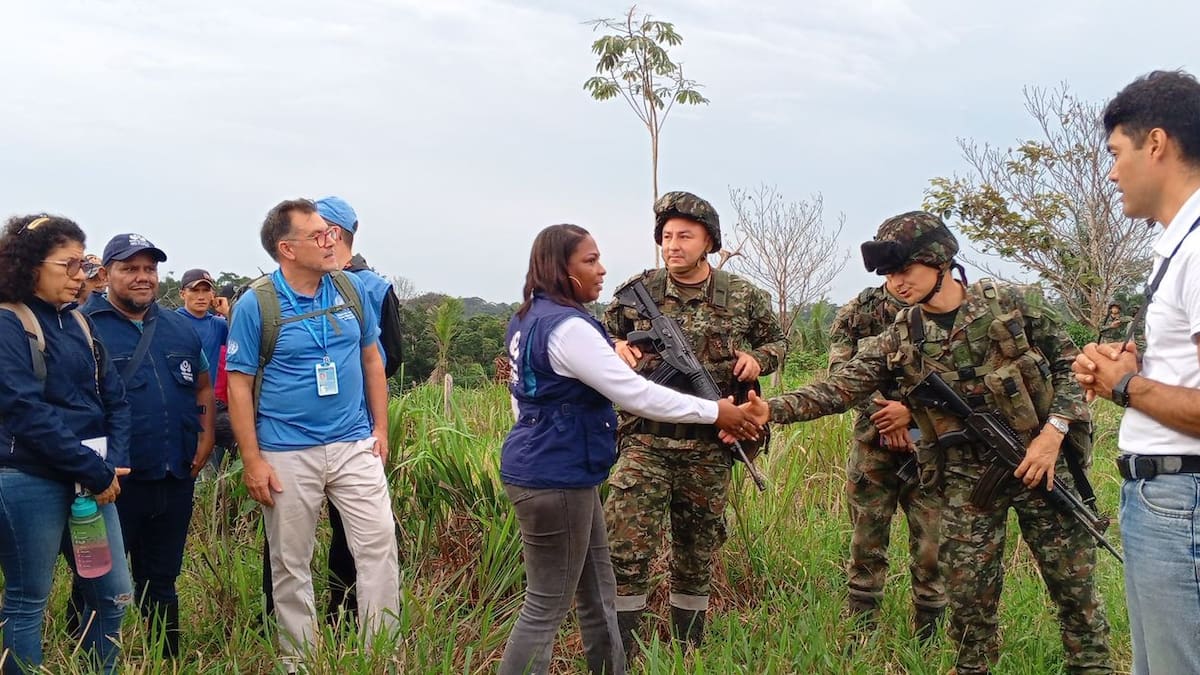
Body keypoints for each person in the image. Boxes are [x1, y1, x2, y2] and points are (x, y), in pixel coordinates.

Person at [742, 211, 1112, 675]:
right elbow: (839, 387)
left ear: (939, 262)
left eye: (904, 270)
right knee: (969, 603)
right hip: (967, 483)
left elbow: (1071, 366)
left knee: (1075, 597)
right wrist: (770, 409)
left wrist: (1053, 434)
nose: (896, 282)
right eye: (888, 274)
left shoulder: (1011, 307)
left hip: (1044, 467)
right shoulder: (900, 335)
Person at [498, 223, 759, 675]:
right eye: (590, 261)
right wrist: (716, 413)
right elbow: (635, 395)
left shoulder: (529, 318)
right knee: (545, 609)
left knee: (599, 592)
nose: (601, 270)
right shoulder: (567, 328)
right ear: (561, 268)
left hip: (565, 472)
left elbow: (523, 400)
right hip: (555, 477)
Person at [602, 191, 787, 653]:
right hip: (645, 440)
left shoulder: (741, 295)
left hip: (709, 444)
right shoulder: (638, 290)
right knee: (626, 549)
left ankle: (689, 650)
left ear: (708, 240)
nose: (673, 245)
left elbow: (779, 340)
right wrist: (615, 346)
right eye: (666, 236)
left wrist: (757, 359)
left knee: (696, 551)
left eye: (685, 235)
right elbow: (595, 333)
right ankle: (622, 651)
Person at [225, 199, 398, 671]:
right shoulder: (256, 303)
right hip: (285, 450)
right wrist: (253, 460)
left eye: (332, 232)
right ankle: (299, 662)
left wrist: (379, 429)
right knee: (290, 563)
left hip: (353, 443)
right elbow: (237, 385)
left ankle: (380, 657)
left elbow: (371, 359)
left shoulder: (350, 289)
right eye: (319, 235)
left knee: (379, 545)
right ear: (287, 248)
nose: (332, 241)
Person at [1073, 69, 1200, 675]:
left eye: (1116, 153)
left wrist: (1123, 384)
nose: (1112, 171)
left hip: (1186, 501)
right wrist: (1135, 370)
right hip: (1164, 498)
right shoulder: (1178, 244)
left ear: (1157, 143)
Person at [0, 214, 133, 674]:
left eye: (84, 263)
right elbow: (24, 409)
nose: (81, 276)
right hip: (29, 480)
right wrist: (91, 467)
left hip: (89, 487)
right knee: (26, 601)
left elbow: (113, 396)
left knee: (113, 594)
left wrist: (113, 461)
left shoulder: (78, 323)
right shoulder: (8, 322)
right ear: (30, 264)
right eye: (70, 264)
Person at [84, 234, 216, 658]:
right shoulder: (83, 325)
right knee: (100, 582)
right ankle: (90, 658)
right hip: (115, 481)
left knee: (162, 578)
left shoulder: (178, 326)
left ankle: (167, 659)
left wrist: (207, 435)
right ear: (106, 274)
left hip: (175, 473)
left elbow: (202, 383)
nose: (143, 277)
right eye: (130, 268)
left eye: (150, 269)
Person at [830, 278, 944, 643]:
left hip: (931, 444)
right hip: (872, 448)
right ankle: (860, 637)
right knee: (866, 545)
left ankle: (928, 643)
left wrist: (909, 416)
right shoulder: (857, 311)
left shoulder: (941, 309)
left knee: (932, 548)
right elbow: (840, 374)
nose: (900, 276)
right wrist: (885, 417)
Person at [174, 268, 230, 469]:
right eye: (194, 291)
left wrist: (228, 312)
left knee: (211, 464)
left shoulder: (219, 324)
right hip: (179, 404)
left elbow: (244, 338)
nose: (201, 296)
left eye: (206, 291)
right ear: (183, 294)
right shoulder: (172, 322)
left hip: (209, 404)